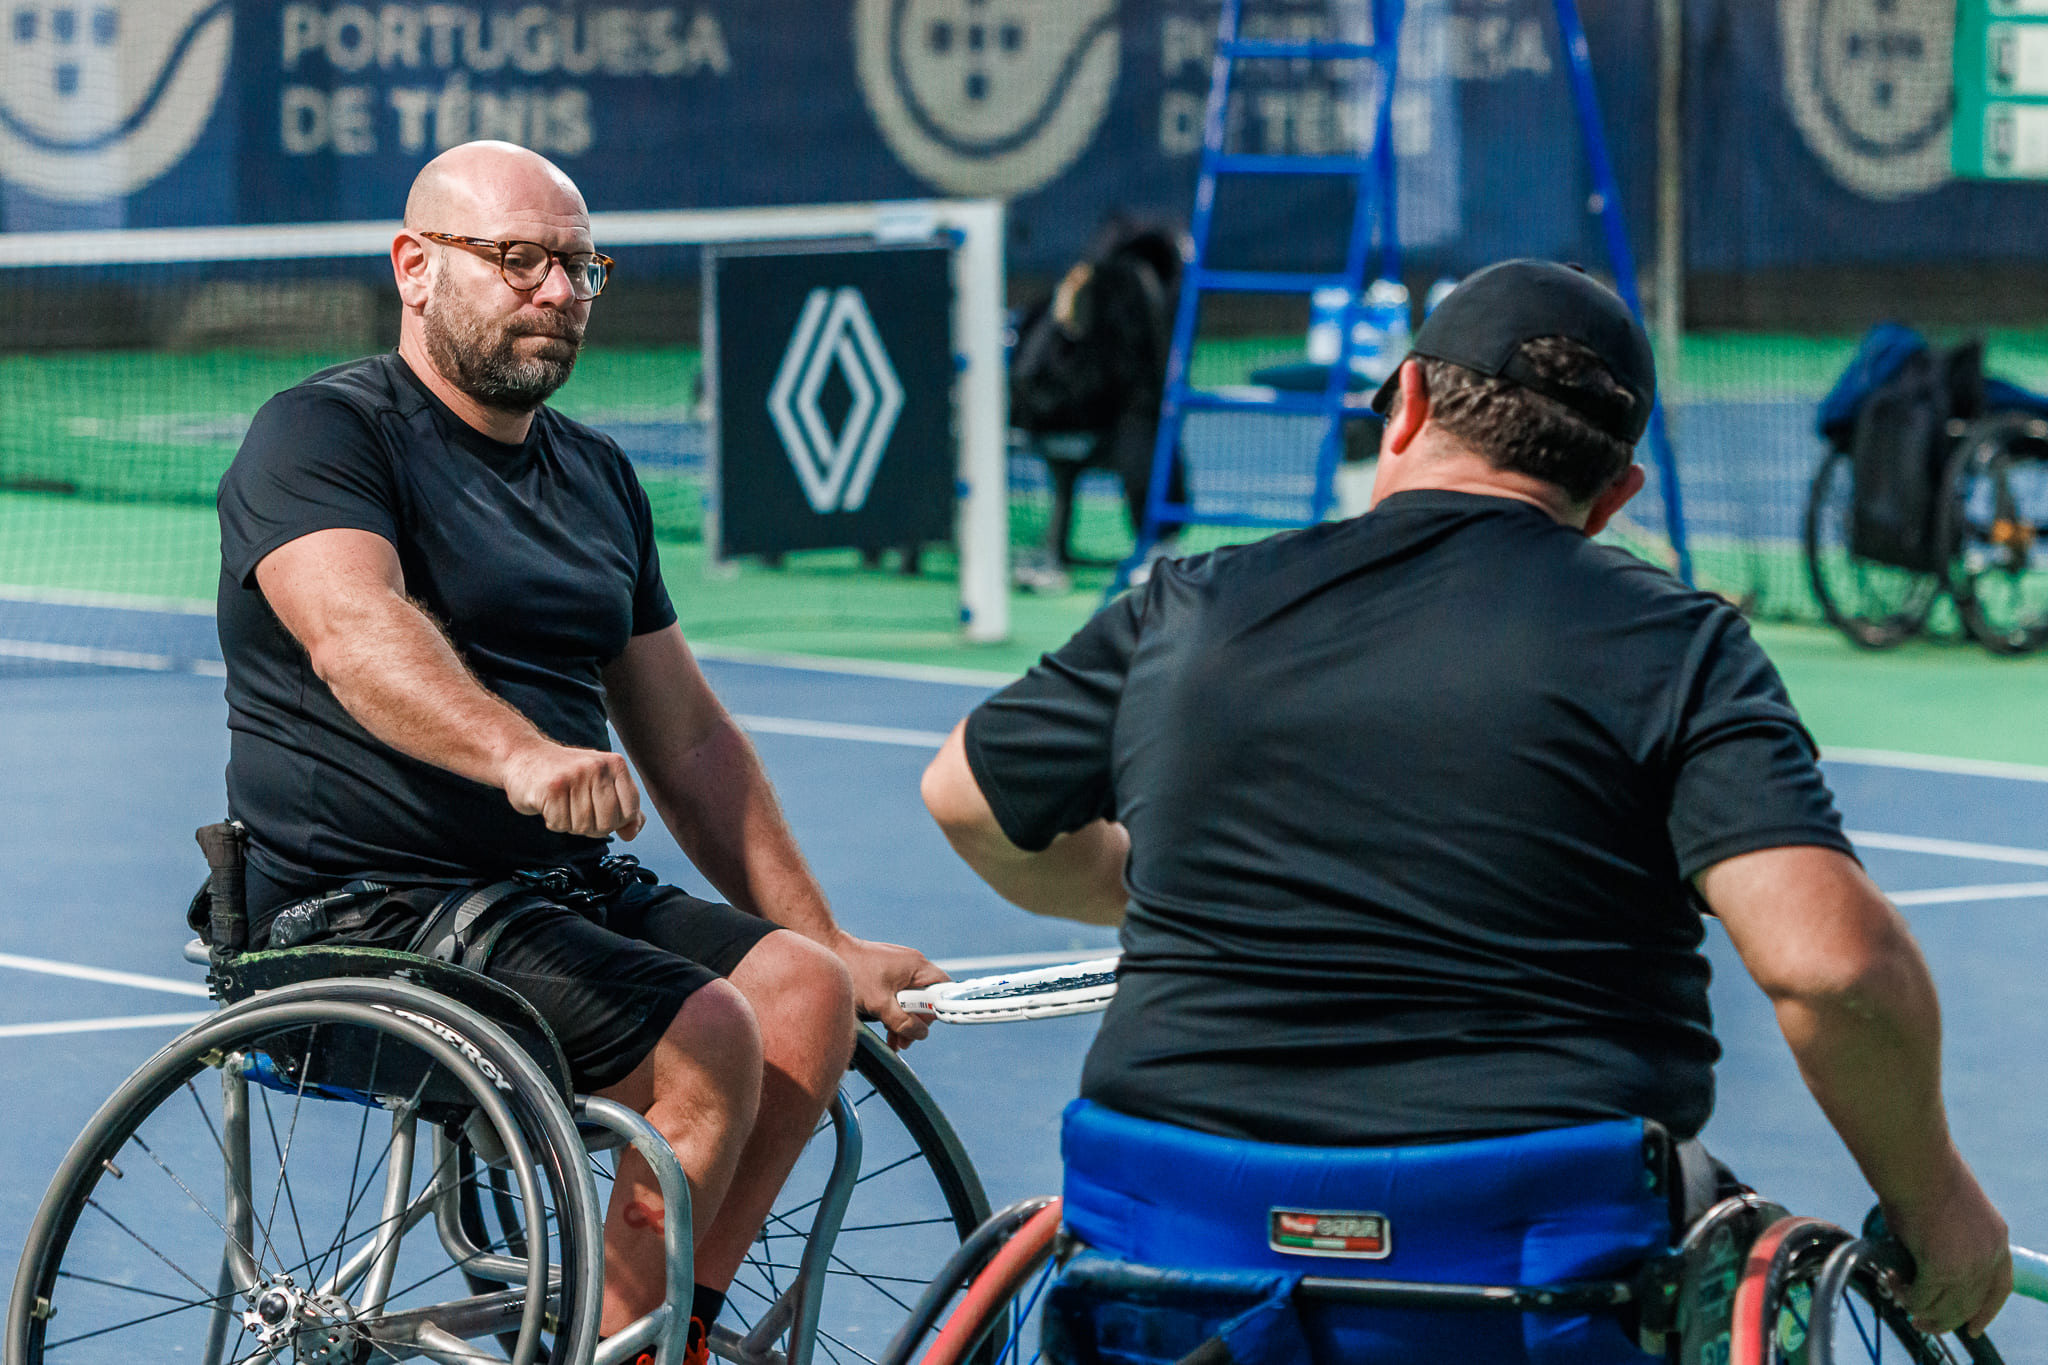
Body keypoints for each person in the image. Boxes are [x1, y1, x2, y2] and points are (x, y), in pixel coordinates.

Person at [921, 260, 2010, 1351]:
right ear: (1614, 496)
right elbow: (1830, 967)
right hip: (1528, 1290)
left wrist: (1147, 890)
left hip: (1162, 1271)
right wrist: (1937, 1205)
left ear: (1404, 406)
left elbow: (965, 797)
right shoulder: (1675, 645)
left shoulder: (1187, 607)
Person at [215, 140, 946, 1358]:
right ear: (414, 267)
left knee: (799, 997)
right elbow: (355, 631)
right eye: (516, 259)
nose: (555, 292)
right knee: (708, 1036)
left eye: (577, 266)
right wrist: (519, 754)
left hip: (553, 899)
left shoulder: (597, 477)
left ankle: (663, 1334)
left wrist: (827, 938)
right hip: (365, 909)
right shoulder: (321, 436)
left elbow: (692, 739)